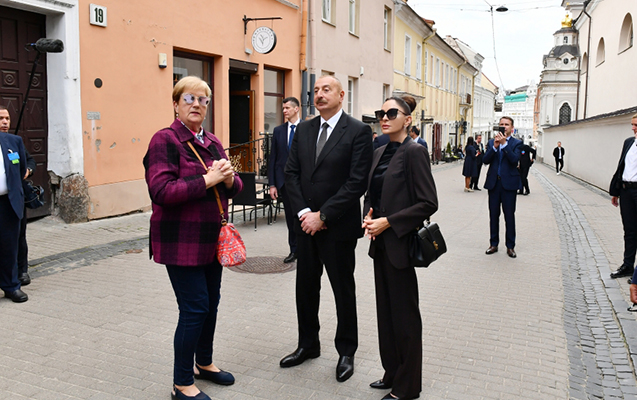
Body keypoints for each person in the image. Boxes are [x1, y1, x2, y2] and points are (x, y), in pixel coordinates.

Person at [144, 76, 243, 400]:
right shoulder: (165, 140)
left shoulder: (212, 141)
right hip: (181, 242)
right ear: (176, 104)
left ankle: (205, 363)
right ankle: (182, 383)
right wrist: (207, 179)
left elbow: (235, 187)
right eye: (189, 98)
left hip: (212, 241)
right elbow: (161, 191)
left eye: (203, 100)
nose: (197, 105)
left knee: (211, 304)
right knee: (195, 308)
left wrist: (228, 179)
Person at [282, 75, 373, 382]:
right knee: (306, 289)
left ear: (341, 95)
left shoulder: (358, 131)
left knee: (342, 291)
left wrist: (323, 216)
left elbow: (356, 182)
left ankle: (346, 351)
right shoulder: (305, 129)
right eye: (316, 90)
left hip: (338, 228)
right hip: (305, 226)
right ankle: (308, 345)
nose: (319, 94)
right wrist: (305, 214)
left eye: (326, 90)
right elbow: (291, 174)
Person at [362, 96, 438, 400]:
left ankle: (407, 388)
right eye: (381, 113)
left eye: (391, 113)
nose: (384, 117)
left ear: (407, 119)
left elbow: (428, 202)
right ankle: (392, 373)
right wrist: (369, 216)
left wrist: (389, 222)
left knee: (405, 318)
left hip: (400, 245)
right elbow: (372, 193)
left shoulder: (414, 152)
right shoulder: (379, 151)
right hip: (380, 245)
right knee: (386, 314)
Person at [0, 106, 35, 286]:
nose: (5, 122)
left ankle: (22, 270)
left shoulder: (14, 142)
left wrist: (28, 170)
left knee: (18, 236)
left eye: (7, 118)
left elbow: (29, 160)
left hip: (14, 198)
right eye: (1, 118)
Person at [483, 117, 522, 258]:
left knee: (509, 216)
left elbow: (514, 161)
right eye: (501, 124)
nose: (504, 127)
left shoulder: (517, 143)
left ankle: (510, 246)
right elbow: (485, 160)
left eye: (506, 124)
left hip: (509, 185)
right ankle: (493, 244)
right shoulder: (491, 142)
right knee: (493, 215)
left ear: (512, 128)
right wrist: (494, 147)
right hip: (494, 184)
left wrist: (504, 145)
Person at [269, 97, 300, 264]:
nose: (284, 111)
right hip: (284, 183)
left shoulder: (307, 129)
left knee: (303, 216)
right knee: (290, 217)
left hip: (303, 182)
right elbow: (273, 158)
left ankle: (306, 249)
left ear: (296, 109)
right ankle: (294, 250)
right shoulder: (278, 131)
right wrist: (272, 184)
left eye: (287, 108)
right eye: (283, 108)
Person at [611, 114, 637, 284]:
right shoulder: (629, 142)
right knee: (629, 231)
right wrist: (616, 191)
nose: (633, 128)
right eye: (632, 125)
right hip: (626, 191)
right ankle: (628, 266)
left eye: (636, 125)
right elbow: (622, 167)